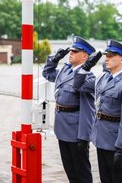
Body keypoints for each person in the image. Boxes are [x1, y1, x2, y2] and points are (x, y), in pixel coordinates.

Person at [73, 40, 122, 183]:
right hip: (101, 137)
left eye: (111, 56)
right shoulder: (103, 78)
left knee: (119, 179)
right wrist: (86, 67)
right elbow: (78, 85)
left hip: (116, 141)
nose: (107, 58)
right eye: (106, 55)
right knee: (105, 178)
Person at [42, 36, 96, 183]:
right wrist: (54, 60)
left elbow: (89, 109)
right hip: (62, 127)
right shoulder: (64, 71)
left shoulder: (89, 78)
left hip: (76, 130)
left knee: (82, 172)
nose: (71, 53)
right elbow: (47, 73)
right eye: (71, 50)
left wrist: (84, 136)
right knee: (70, 169)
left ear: (84, 55)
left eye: (75, 51)